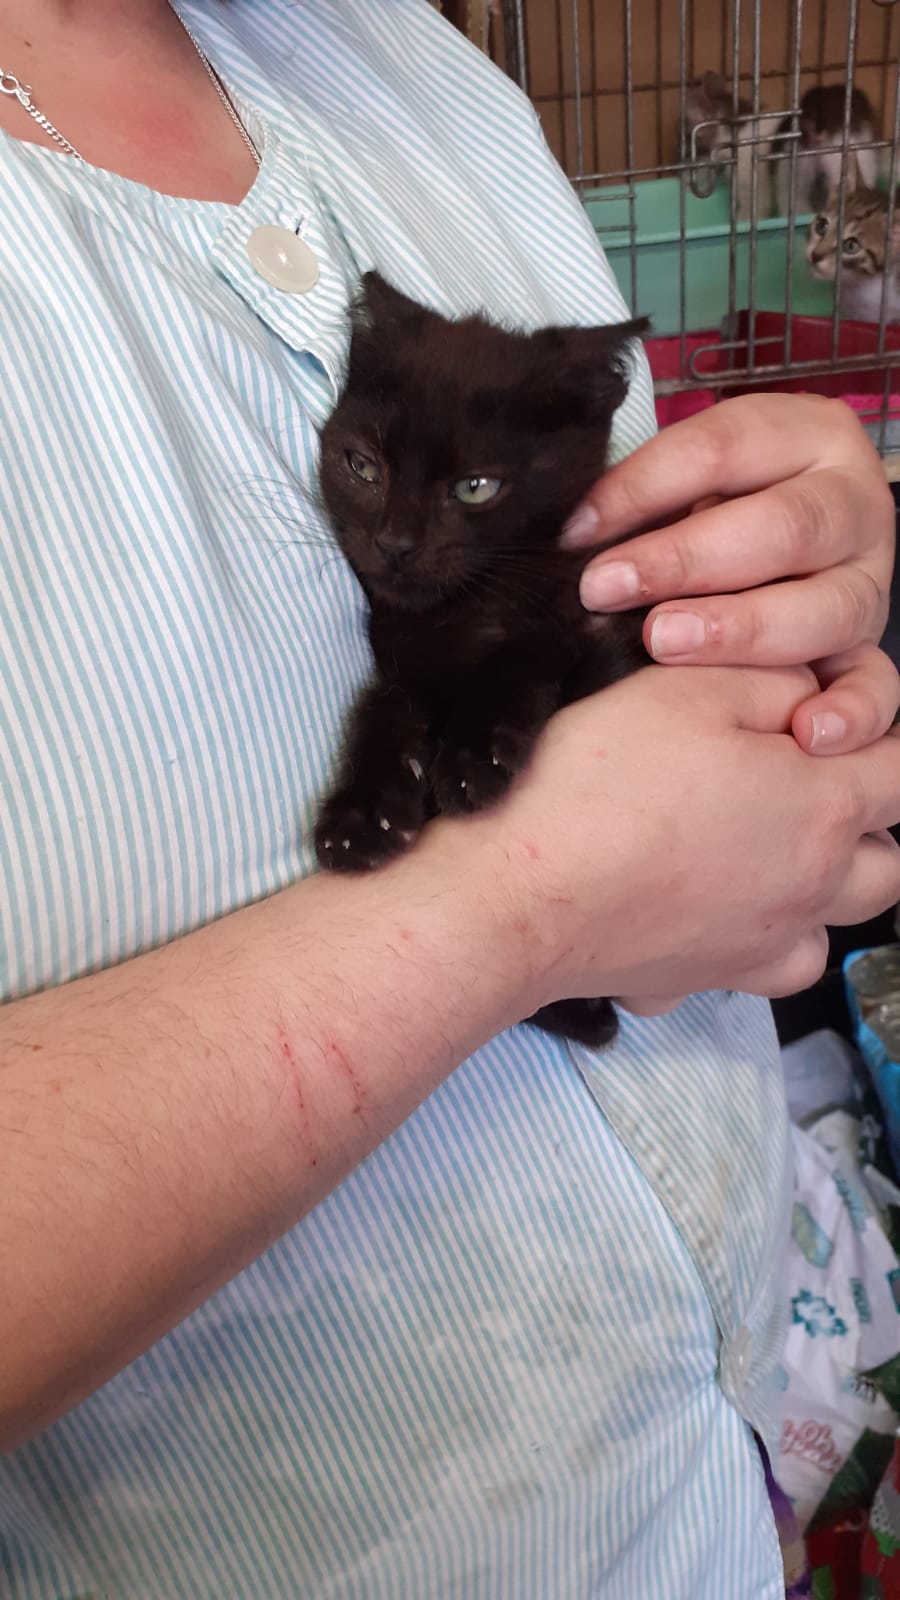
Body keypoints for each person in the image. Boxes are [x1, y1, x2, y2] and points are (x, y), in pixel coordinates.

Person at [0, 2, 898, 1596]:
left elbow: (611, 568)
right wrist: (524, 906)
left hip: (713, 1487)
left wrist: (789, 564)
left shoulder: (410, 62)